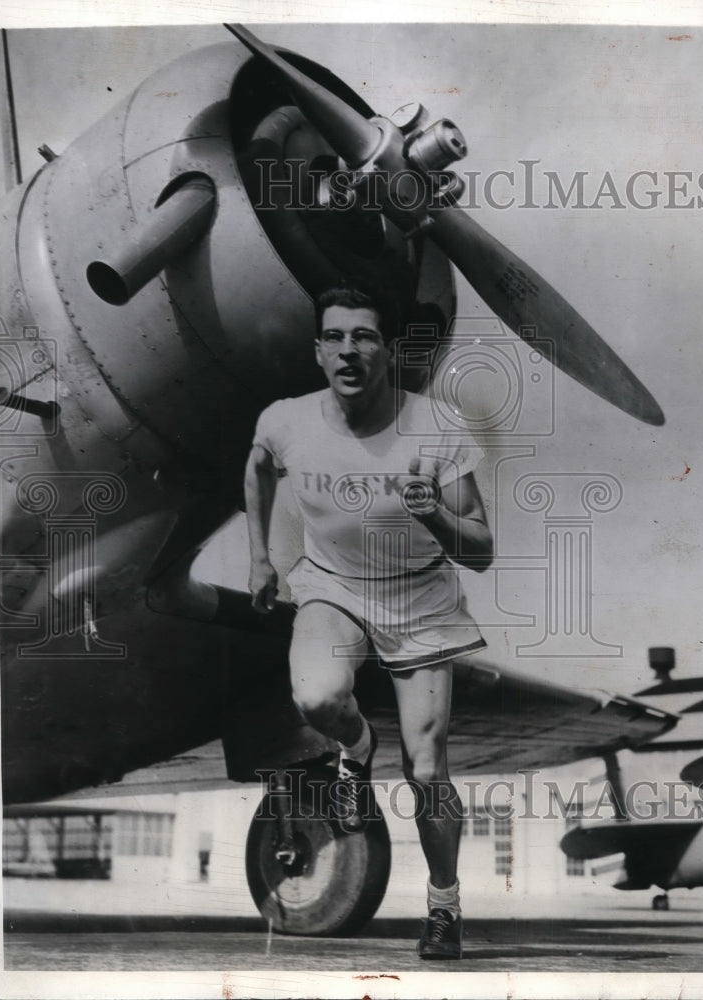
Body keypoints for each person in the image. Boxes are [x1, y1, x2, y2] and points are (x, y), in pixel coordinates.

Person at [244, 280, 493, 959]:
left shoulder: (437, 427)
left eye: (363, 337)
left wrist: (433, 512)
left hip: (420, 602)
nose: (348, 350)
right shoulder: (285, 420)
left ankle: (443, 905)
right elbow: (259, 467)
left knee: (428, 772)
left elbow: (482, 551)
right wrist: (263, 559)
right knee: (318, 696)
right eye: (335, 337)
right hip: (333, 588)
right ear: (318, 350)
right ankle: (354, 753)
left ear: (387, 350)